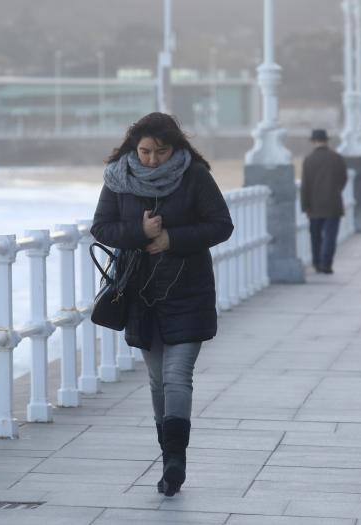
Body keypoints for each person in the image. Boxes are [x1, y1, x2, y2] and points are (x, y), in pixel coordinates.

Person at [91, 112, 234, 496]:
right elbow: (101, 227)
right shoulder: (120, 178)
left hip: (188, 290)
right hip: (141, 294)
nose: (152, 159)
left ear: (176, 148)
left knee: (176, 375)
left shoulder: (195, 176)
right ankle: (168, 456)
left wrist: (173, 238)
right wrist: (140, 232)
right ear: (133, 148)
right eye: (145, 151)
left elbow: (222, 225)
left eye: (161, 151)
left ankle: (175, 460)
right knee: (156, 381)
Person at [300, 129, 348, 274]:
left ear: (313, 141)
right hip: (333, 204)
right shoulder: (337, 158)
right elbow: (343, 179)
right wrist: (335, 191)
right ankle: (326, 264)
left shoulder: (308, 160)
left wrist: (305, 205)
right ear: (327, 140)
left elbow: (305, 186)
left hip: (314, 206)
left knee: (315, 236)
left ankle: (317, 263)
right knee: (330, 236)